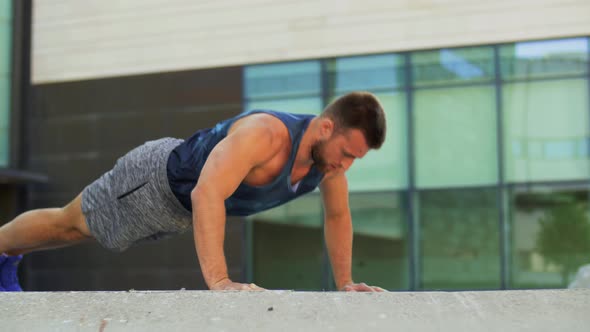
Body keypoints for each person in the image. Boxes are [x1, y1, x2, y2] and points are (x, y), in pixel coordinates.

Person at [0, 91, 387, 292]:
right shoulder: (265, 135)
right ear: (325, 129)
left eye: (356, 159)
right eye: (347, 152)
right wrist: (219, 281)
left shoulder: (327, 168)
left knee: (75, 229)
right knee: (70, 225)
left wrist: (346, 283)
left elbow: (338, 218)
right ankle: (4, 248)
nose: (345, 165)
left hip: (178, 211)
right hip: (154, 179)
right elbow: (207, 193)